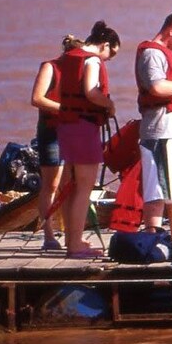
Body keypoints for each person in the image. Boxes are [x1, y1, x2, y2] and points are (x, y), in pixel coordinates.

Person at [56, 21, 120, 258]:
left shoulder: (72, 56)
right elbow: (91, 91)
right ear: (105, 45)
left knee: (72, 188)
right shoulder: (92, 60)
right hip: (83, 128)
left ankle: (74, 240)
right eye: (111, 53)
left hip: (67, 126)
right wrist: (109, 105)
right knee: (84, 188)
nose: (109, 59)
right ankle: (75, 246)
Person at [136, 12, 172, 246]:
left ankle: (164, 237)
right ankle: (159, 238)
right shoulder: (152, 54)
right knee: (161, 187)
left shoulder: (165, 53)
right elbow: (157, 87)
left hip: (169, 130)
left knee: (163, 186)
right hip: (160, 129)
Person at [29, 34, 82, 251]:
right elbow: (37, 98)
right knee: (51, 184)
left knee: (70, 184)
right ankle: (48, 235)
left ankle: (70, 232)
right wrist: (66, 109)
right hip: (52, 131)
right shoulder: (50, 67)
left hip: (74, 131)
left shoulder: (82, 72)